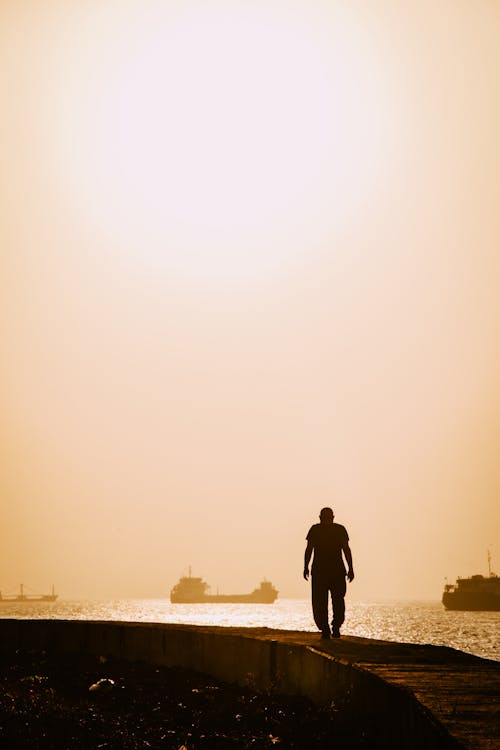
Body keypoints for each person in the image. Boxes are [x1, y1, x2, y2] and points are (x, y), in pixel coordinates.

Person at [303, 507, 354, 639]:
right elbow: (346, 550)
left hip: (323, 572)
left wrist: (306, 567)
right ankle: (332, 627)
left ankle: (328, 628)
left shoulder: (316, 530)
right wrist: (351, 568)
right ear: (332, 517)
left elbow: (309, 549)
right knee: (336, 601)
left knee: (323, 602)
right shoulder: (338, 530)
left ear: (320, 518)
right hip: (333, 571)